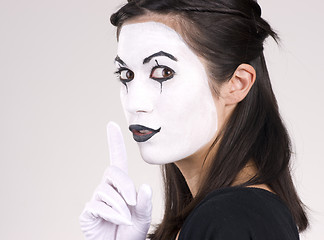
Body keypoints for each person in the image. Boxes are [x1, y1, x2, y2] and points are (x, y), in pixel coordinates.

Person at [79, 0, 309, 239]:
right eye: (126, 75)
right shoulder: (229, 215)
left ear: (237, 83)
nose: (135, 103)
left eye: (163, 73)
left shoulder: (230, 220)